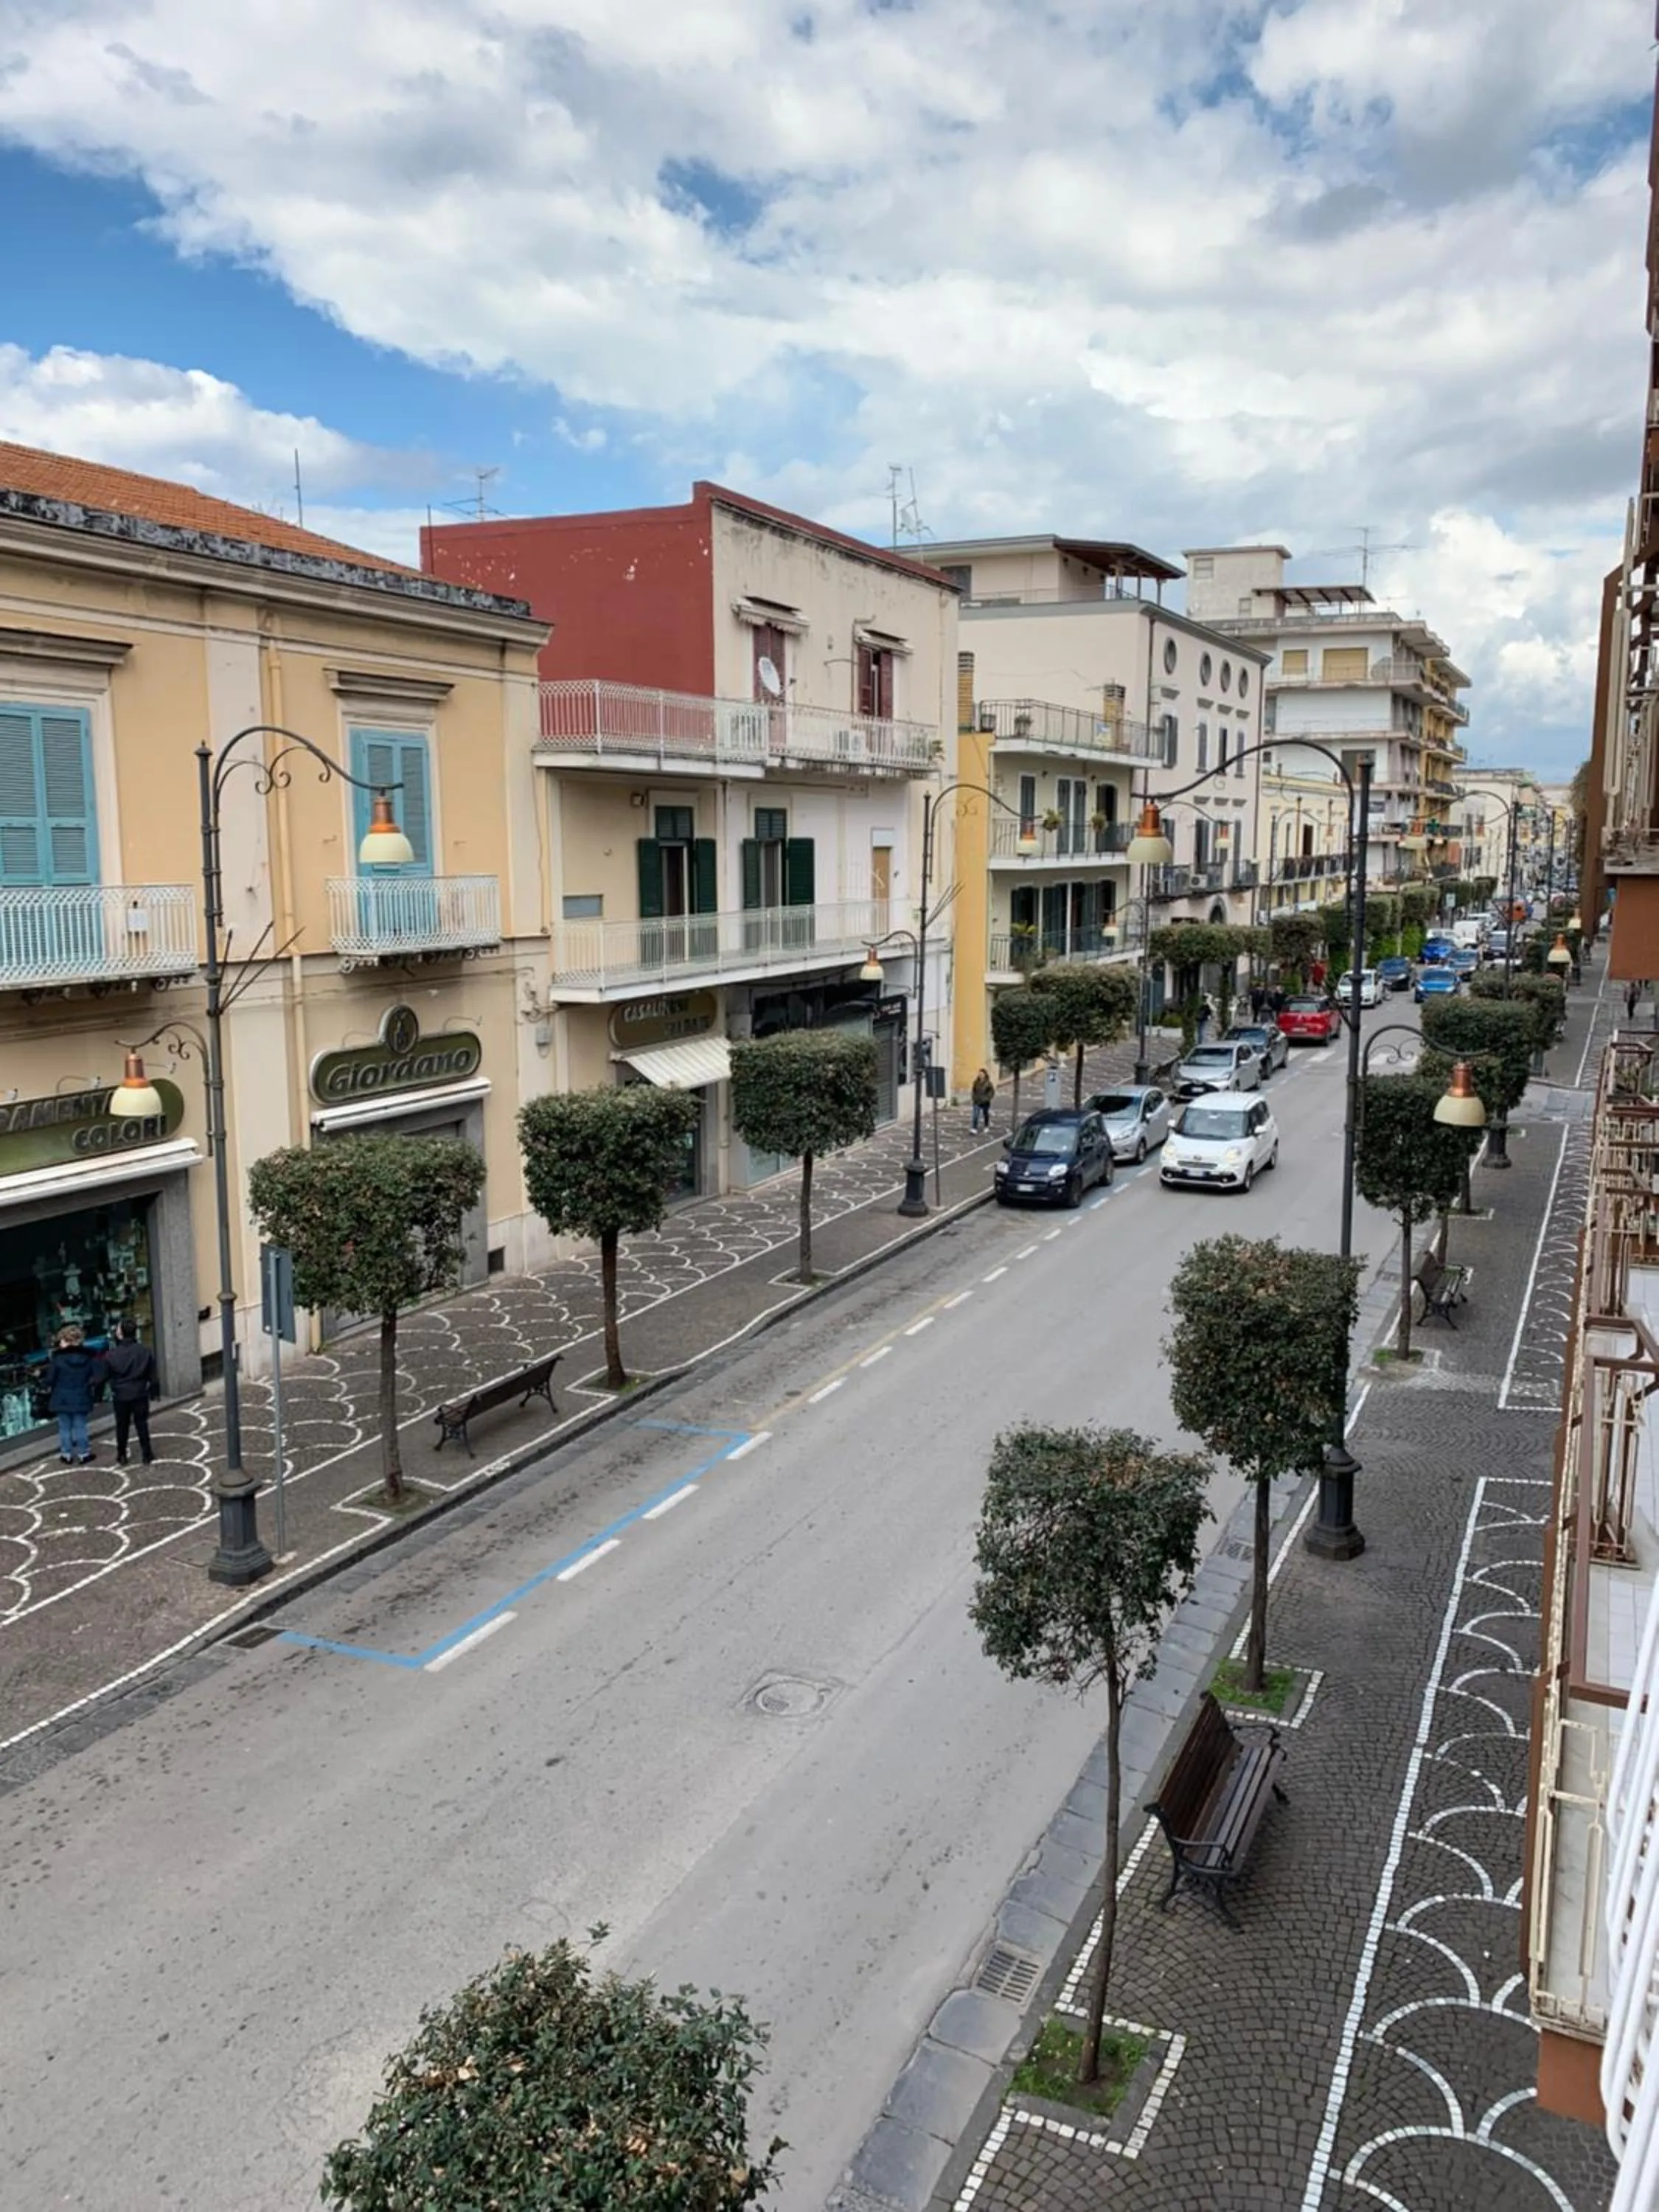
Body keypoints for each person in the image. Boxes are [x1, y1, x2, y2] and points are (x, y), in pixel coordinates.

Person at [103, 1318, 160, 1466]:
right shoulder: (144, 1351)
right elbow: (152, 1374)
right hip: (140, 1393)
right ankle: (147, 1454)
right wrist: (154, 1391)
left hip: (121, 1395)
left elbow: (105, 1374)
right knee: (142, 1424)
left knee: (122, 1426)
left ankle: (122, 1454)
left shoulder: (111, 1355)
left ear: (120, 1334)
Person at [45, 1324, 103, 1467]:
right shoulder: (88, 1357)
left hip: (62, 1397)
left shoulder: (58, 1359)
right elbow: (98, 1377)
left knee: (64, 1427)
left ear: (66, 1341)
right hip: (81, 1395)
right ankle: (84, 1454)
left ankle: (66, 1455)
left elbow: (49, 1380)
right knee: (80, 1427)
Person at [970, 1067, 995, 1133]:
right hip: (977, 1101)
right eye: (979, 1074)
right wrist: (974, 1098)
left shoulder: (988, 1083)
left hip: (985, 1102)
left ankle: (986, 1126)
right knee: (975, 1115)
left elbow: (991, 1092)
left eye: (982, 1074)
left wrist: (987, 1098)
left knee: (985, 1114)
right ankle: (974, 1128)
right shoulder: (976, 1082)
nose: (980, 1075)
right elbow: (974, 1091)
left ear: (985, 1075)